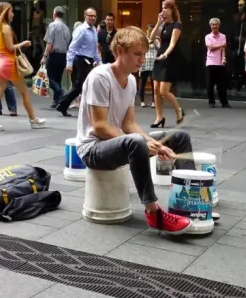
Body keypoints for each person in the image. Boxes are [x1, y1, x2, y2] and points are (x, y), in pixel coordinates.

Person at [76, 26, 195, 234]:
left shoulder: (130, 80)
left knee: (179, 137)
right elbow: (100, 126)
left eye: (144, 54)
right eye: (137, 54)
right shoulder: (100, 77)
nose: (142, 60)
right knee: (136, 142)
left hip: (118, 142)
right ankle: (153, 212)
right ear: (120, 51)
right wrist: (142, 142)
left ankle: (189, 201)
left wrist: (153, 143)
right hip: (92, 149)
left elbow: (129, 124)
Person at [0, 2, 45, 132]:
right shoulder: (6, 27)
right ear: (6, 12)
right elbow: (11, 48)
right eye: (11, 11)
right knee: (24, 92)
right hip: (8, 64)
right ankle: (33, 119)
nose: (13, 13)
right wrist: (24, 43)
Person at [55, 7, 101, 117]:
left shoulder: (94, 30)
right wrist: (69, 64)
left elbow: (94, 49)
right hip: (80, 60)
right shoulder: (81, 30)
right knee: (84, 85)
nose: (93, 18)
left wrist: (99, 61)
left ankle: (62, 104)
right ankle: (83, 109)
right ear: (85, 16)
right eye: (90, 15)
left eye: (94, 16)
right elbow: (72, 47)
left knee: (79, 86)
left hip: (88, 60)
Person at [149, 0, 185, 128]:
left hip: (169, 59)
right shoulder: (164, 25)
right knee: (156, 90)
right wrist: (158, 22)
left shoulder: (177, 25)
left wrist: (166, 54)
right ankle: (159, 117)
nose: (163, 10)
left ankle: (178, 110)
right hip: (159, 58)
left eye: (165, 8)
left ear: (172, 10)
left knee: (164, 91)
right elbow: (151, 39)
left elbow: (172, 44)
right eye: (162, 8)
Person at [40, 6, 71, 109]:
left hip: (54, 55)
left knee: (48, 77)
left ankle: (60, 92)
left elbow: (49, 43)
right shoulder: (66, 28)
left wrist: (45, 56)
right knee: (57, 78)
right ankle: (57, 101)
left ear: (54, 14)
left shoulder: (52, 25)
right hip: (63, 56)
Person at [205, 18, 230, 109]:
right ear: (210, 26)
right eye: (213, 24)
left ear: (219, 26)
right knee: (210, 84)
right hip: (210, 62)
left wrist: (223, 58)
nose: (214, 26)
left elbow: (223, 49)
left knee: (222, 84)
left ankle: (224, 102)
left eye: (216, 24)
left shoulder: (223, 36)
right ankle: (211, 102)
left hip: (220, 63)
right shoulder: (207, 36)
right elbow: (210, 47)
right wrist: (221, 45)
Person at [139, 24, 158, 108]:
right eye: (149, 30)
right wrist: (149, 42)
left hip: (154, 64)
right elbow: (141, 49)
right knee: (143, 82)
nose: (150, 32)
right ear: (147, 31)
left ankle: (154, 102)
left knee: (154, 84)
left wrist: (155, 43)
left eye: (152, 30)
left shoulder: (157, 40)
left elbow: (160, 49)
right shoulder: (143, 40)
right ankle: (142, 101)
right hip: (144, 63)